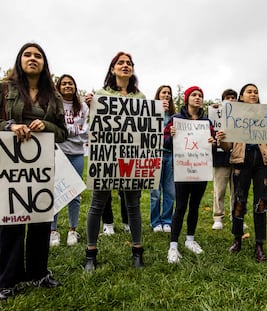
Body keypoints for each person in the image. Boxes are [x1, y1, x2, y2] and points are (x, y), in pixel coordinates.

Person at [0, 42, 68, 300]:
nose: (32, 59)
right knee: (11, 224)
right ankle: (7, 279)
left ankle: (38, 273)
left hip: (41, 168)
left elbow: (62, 132)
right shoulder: (4, 89)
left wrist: (46, 126)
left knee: (40, 221)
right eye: (27, 54)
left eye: (37, 55)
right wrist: (9, 126)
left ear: (44, 63)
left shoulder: (54, 97)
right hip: (11, 167)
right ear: (19, 60)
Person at [84, 52, 145, 272]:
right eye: (121, 63)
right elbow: (93, 127)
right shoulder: (100, 95)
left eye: (129, 63)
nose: (125, 66)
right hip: (106, 157)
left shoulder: (140, 98)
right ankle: (91, 253)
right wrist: (90, 106)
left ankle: (137, 251)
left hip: (131, 158)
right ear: (112, 69)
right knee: (97, 204)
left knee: (133, 206)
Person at [216, 83, 267, 262]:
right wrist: (221, 140)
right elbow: (228, 147)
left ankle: (259, 244)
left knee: (261, 202)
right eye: (249, 92)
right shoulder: (234, 117)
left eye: (256, 92)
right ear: (241, 97)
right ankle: (237, 239)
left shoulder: (266, 116)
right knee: (239, 201)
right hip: (240, 162)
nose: (253, 94)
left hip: (261, 162)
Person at [165, 86, 216, 264]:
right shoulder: (176, 119)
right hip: (182, 169)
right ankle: (173, 246)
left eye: (200, 95)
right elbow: (165, 142)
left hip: (200, 169)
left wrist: (213, 141)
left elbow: (213, 144)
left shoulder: (207, 122)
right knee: (180, 207)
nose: (198, 98)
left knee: (195, 206)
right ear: (187, 99)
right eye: (194, 95)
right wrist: (171, 136)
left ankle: (190, 240)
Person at [50, 74, 89, 247]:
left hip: (77, 153)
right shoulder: (53, 103)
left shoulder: (83, 106)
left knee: (75, 193)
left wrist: (70, 131)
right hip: (58, 152)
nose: (67, 86)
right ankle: (53, 231)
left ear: (75, 86)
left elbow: (87, 129)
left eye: (70, 83)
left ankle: (73, 230)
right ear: (59, 87)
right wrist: (76, 130)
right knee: (56, 191)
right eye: (64, 83)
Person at [150, 85, 176, 233]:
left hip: (170, 155)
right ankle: (155, 222)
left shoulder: (175, 116)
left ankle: (167, 220)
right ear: (158, 95)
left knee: (170, 191)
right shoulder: (151, 113)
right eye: (164, 92)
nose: (166, 95)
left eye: (169, 93)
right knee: (155, 192)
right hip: (155, 154)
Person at [211, 89, 237, 230]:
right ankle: (218, 217)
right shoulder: (215, 113)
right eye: (228, 97)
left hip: (238, 157)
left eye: (233, 97)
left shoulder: (240, 114)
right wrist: (215, 108)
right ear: (223, 100)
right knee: (219, 189)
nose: (231, 100)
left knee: (236, 190)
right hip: (220, 156)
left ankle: (235, 216)